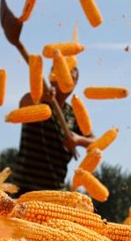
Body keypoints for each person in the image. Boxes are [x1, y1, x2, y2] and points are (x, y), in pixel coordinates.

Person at [12, 66, 95, 194]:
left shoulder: (74, 114)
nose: (67, 83)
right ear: (52, 77)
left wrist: (78, 140)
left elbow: (95, 142)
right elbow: (22, 105)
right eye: (63, 76)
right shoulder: (39, 102)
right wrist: (39, 96)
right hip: (25, 187)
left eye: (72, 79)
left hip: (55, 190)